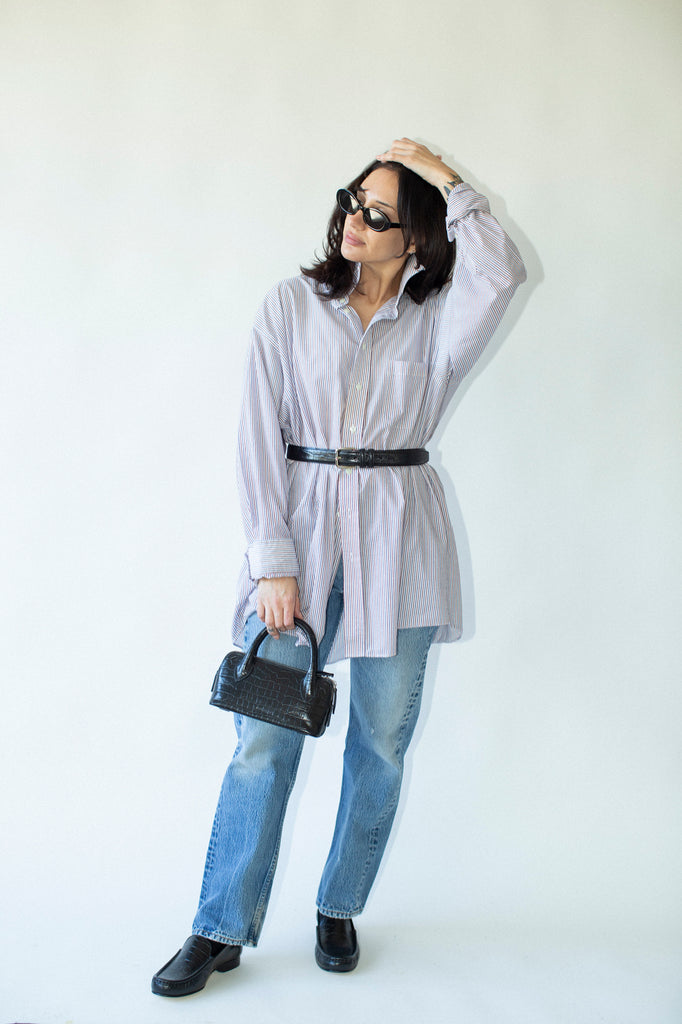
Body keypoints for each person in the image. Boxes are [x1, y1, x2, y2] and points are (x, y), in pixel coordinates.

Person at [152, 138, 526, 996]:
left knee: (382, 742)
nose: (355, 220)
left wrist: (445, 176)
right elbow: (255, 438)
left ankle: (339, 905)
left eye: (379, 213)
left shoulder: (439, 318)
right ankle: (218, 927)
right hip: (305, 534)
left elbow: (499, 271)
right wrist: (271, 562)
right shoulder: (290, 306)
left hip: (404, 536)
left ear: (417, 237)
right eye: (353, 201)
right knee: (264, 738)